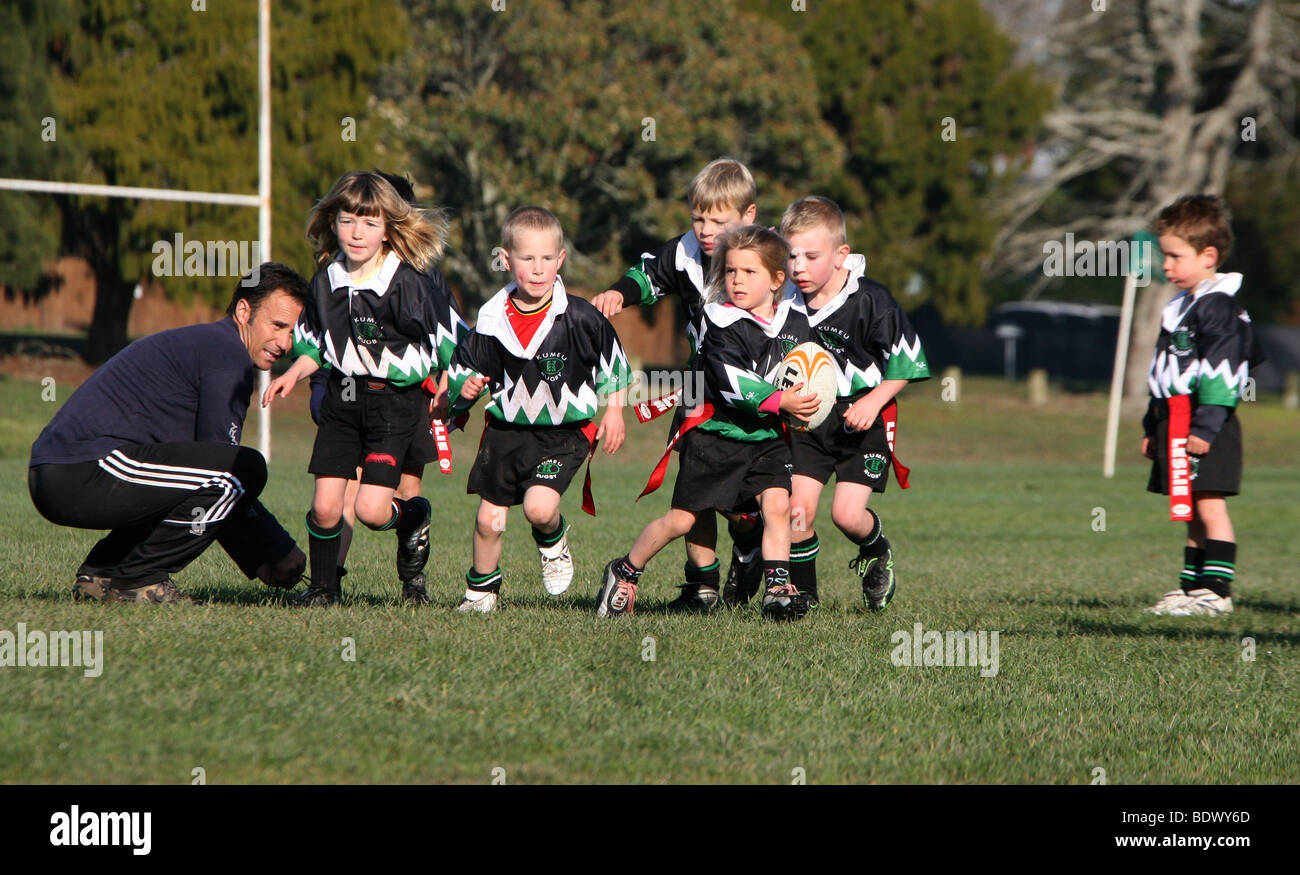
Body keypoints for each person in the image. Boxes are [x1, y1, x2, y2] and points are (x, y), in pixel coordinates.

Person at [28, 263, 310, 604]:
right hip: (84, 469)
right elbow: (226, 475)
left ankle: (103, 573)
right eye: (278, 325)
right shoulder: (226, 357)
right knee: (245, 468)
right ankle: (137, 578)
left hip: (60, 472)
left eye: (294, 333)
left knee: (199, 479)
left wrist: (268, 552)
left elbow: (201, 479)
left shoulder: (211, 345)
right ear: (243, 310)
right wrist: (275, 551)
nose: (285, 343)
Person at [596, 225, 820, 621]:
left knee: (778, 504)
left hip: (766, 437)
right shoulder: (720, 321)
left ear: (776, 280)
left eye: (749, 273)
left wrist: (809, 403)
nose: (737, 280)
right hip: (714, 435)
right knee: (682, 520)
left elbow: (805, 367)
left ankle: (778, 587)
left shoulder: (795, 321)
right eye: (731, 271)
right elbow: (730, 380)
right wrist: (780, 399)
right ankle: (625, 570)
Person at [263, 170, 461, 606]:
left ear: (389, 230)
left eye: (370, 224)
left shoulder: (410, 283)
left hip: (395, 405)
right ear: (332, 221)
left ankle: (413, 517)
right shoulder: (325, 282)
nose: (357, 233)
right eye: (348, 220)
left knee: (372, 510)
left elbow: (452, 344)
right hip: (342, 399)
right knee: (326, 506)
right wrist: (292, 374)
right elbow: (315, 347)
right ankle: (323, 590)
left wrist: (451, 388)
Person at [589, 157, 763, 613]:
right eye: (698, 218)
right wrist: (617, 293)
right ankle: (702, 588)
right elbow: (646, 274)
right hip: (699, 390)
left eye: (718, 221)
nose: (706, 230)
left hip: (756, 396)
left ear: (748, 217)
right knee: (694, 490)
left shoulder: (764, 260)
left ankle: (750, 543)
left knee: (747, 499)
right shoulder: (685, 253)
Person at [448, 206, 630, 613]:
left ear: (560, 259)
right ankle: (480, 594)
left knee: (538, 507)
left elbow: (614, 367)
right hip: (506, 433)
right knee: (487, 520)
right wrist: (468, 388)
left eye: (548, 258)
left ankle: (553, 540)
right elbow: (461, 373)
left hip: (564, 433)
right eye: (527, 258)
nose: (537, 268)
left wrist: (614, 411)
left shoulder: (581, 317)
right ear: (507, 259)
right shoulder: (492, 319)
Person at [781, 197, 930, 611]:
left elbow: (907, 363)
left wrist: (873, 401)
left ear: (841, 254)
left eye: (811, 256)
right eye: (791, 255)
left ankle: (876, 550)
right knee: (797, 511)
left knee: (846, 515)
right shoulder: (785, 302)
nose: (799, 267)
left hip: (863, 421)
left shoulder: (871, 300)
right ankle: (803, 597)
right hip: (808, 420)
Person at [1141, 195, 1261, 616]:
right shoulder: (1180, 308)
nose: (1167, 266)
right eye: (1164, 257)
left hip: (1205, 425)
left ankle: (1217, 591)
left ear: (1208, 255)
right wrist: (1150, 427)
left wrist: (1206, 427)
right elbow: (1165, 371)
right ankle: (1191, 588)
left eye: (1175, 257)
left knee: (1210, 505)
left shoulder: (1219, 307)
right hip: (1174, 420)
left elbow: (1223, 374)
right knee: (1188, 506)